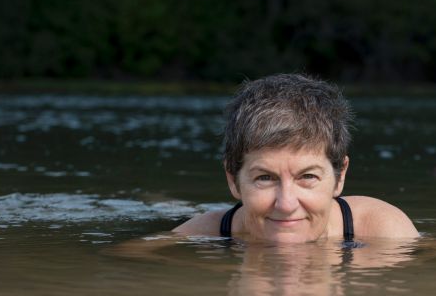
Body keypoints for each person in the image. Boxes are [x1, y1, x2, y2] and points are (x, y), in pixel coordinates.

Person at [174, 73, 418, 243]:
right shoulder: (205, 233)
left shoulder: (385, 231)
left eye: (308, 176)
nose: (286, 204)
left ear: (340, 176)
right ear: (233, 179)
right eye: (265, 178)